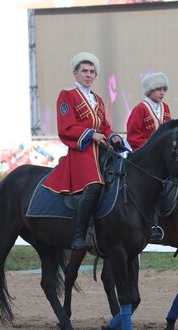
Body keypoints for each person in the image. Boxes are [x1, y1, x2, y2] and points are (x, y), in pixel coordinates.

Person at [43, 52, 123, 250]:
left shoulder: (98, 100)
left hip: (101, 150)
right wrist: (91, 135)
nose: (88, 75)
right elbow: (66, 126)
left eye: (92, 72)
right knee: (94, 185)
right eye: (84, 71)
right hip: (82, 151)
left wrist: (112, 136)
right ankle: (79, 235)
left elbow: (104, 126)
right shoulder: (67, 95)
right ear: (75, 73)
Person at [126, 72, 171, 151]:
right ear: (150, 90)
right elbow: (132, 137)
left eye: (164, 89)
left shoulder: (165, 107)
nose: (162, 93)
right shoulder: (140, 109)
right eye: (158, 89)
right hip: (145, 156)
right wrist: (152, 146)